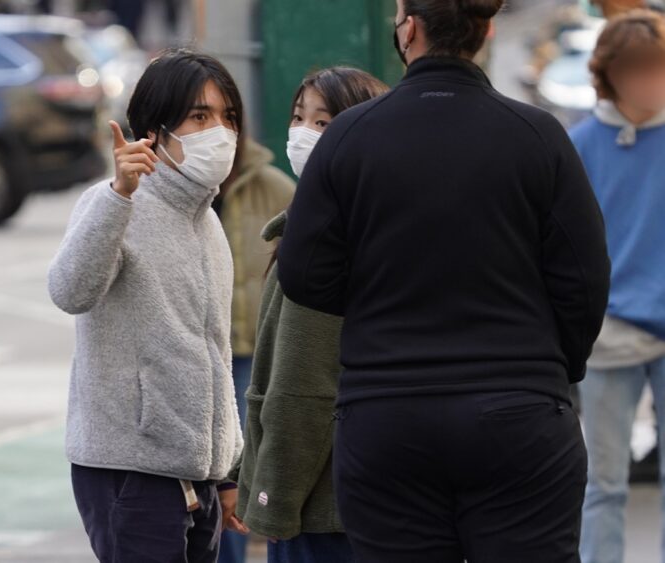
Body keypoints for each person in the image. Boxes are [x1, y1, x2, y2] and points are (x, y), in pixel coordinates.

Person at [277, 0, 612, 561]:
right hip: (519, 410)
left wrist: (371, 309)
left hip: (386, 413)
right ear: (485, 31)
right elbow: (584, 278)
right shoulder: (537, 134)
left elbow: (305, 275)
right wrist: (552, 370)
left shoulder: (349, 137)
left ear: (408, 29)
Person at [48, 49, 247, 562]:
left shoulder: (206, 220)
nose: (219, 132)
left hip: (196, 475)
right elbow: (70, 291)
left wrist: (226, 473)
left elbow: (214, 353)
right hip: (130, 470)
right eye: (199, 116)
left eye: (228, 118)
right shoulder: (113, 202)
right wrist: (120, 195)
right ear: (155, 130)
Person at [230, 67, 389, 563]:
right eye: (299, 117)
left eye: (323, 123)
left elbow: (303, 388)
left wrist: (271, 502)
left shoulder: (325, 236)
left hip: (322, 505)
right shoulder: (383, 218)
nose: (302, 134)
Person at [569, 10, 665, 563]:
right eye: (640, 72)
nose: (652, 84)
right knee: (604, 482)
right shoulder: (581, 145)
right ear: (611, 75)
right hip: (608, 333)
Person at [214, 134, 296, 563]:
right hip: (205, 353)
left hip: (251, 351)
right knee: (211, 478)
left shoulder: (274, 186)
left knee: (240, 473)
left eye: (225, 117)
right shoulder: (183, 188)